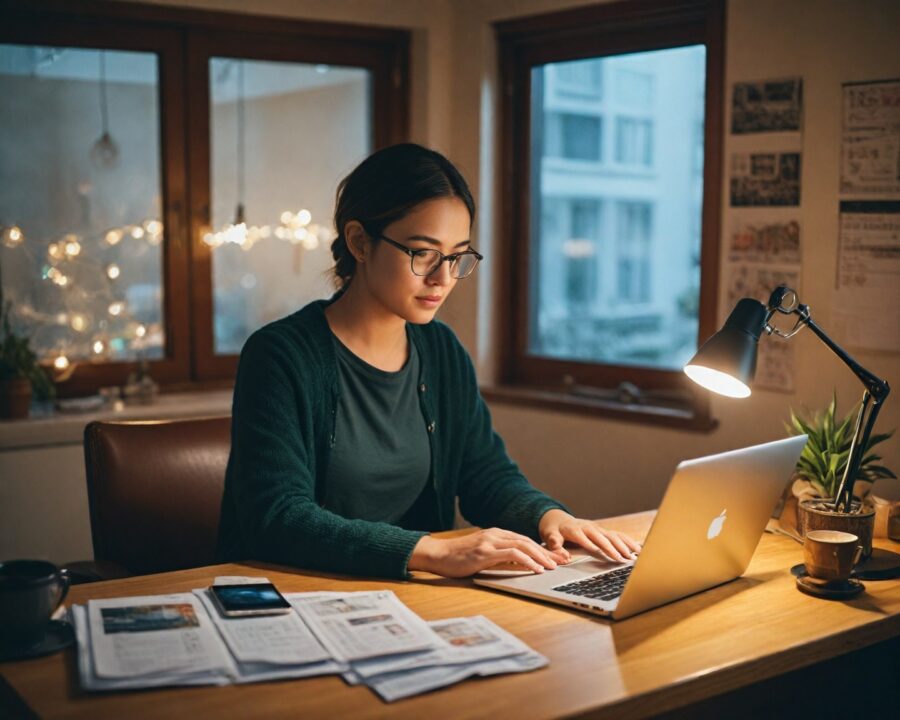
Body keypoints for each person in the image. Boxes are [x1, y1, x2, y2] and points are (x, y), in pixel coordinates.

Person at [216, 143, 642, 579]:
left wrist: (548, 517)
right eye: (423, 253)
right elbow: (277, 517)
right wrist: (433, 553)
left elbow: (485, 476)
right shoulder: (281, 354)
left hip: (413, 596)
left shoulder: (440, 350)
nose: (443, 278)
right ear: (360, 242)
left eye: (457, 256)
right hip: (300, 594)